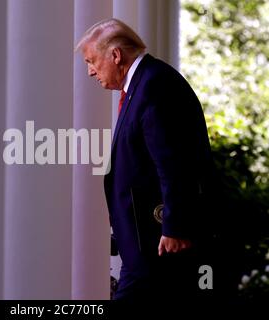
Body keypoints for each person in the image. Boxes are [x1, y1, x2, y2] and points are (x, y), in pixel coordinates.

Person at [75, 19, 226, 305]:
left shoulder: (155, 86)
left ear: (116, 55)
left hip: (157, 245)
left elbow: (174, 163)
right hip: (145, 243)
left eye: (92, 61)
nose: (90, 71)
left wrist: (174, 226)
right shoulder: (144, 83)